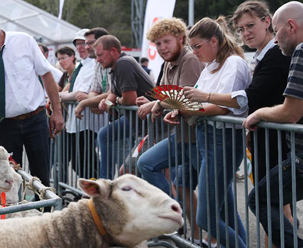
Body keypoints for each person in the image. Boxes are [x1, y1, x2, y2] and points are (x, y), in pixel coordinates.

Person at [183, 0, 293, 237]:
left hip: (273, 139)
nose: (246, 32)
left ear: (268, 22)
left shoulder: (273, 55)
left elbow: (250, 99)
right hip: (260, 137)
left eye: (250, 25)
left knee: (268, 206)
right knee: (267, 207)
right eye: (241, 29)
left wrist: (202, 100)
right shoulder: (265, 55)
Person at [0, 10, 63, 197]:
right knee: (7, 178)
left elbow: (46, 75)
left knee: (42, 173)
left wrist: (57, 111)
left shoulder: (24, 41)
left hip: (36, 120)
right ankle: (14, 218)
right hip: (5, 125)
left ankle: (45, 217)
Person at [167, 16, 252, 248]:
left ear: (214, 41)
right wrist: (179, 110)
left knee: (207, 217)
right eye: (191, 47)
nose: (194, 52)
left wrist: (186, 108)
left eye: (197, 46)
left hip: (222, 140)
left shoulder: (233, 63)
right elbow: (199, 101)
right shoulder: (211, 65)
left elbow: (222, 106)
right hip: (208, 138)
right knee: (223, 210)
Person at [135, 17, 204, 245]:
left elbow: (185, 97)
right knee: (147, 164)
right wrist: (150, 100)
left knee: (217, 203)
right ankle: (177, 222)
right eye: (158, 44)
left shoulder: (190, 59)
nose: (162, 47)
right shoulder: (167, 63)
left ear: (180, 39)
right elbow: (163, 93)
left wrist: (156, 104)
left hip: (199, 138)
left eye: (166, 41)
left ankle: (188, 228)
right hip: (183, 137)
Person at [243, 2, 303, 247]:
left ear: (290, 26)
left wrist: (259, 114)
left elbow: (291, 112)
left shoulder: (301, 51)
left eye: (276, 31)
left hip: (301, 157)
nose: (276, 40)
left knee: (261, 199)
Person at [96, 35, 155, 179]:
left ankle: (106, 187)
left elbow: (129, 99)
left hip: (151, 129)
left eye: (100, 55)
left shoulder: (124, 64)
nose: (98, 59)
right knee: (129, 172)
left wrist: (116, 100)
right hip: (142, 128)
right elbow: (113, 96)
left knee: (129, 173)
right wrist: (107, 103)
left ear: (113, 51)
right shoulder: (115, 68)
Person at [59, 29, 96, 178]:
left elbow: (79, 94)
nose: (81, 47)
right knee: (80, 162)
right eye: (78, 44)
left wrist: (59, 97)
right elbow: (73, 92)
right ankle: (91, 191)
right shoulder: (81, 66)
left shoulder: (93, 65)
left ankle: (96, 191)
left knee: (85, 161)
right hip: (77, 122)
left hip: (88, 122)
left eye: (84, 43)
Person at [74, 27, 110, 120]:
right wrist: (93, 102)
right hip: (120, 116)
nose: (86, 47)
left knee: (103, 135)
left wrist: (85, 102)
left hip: (141, 118)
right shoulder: (97, 63)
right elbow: (94, 91)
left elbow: (112, 93)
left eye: (90, 43)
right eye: (86, 44)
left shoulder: (121, 62)